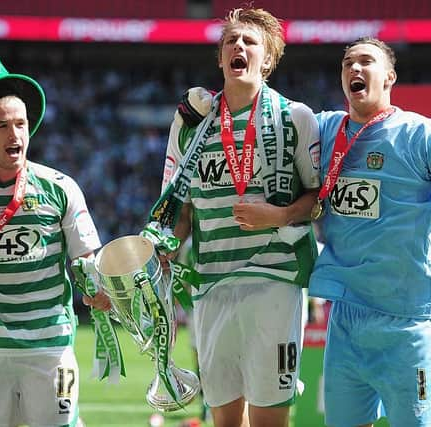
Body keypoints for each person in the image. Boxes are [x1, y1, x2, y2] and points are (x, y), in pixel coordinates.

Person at [308, 37, 431, 427]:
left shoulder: (423, 136)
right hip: (346, 320)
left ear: (390, 77)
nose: (354, 69)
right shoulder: (325, 130)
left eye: (366, 61)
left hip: (410, 325)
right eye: (347, 62)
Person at [150, 7, 320, 427]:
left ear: (268, 59)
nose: (238, 46)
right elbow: (179, 205)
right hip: (210, 284)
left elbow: (317, 198)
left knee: (268, 418)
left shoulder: (294, 117)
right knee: (225, 418)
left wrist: (278, 215)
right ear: (221, 58)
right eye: (231, 41)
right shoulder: (191, 124)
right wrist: (162, 250)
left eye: (249, 42)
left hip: (274, 282)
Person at [0, 51, 109, 427]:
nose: (16, 135)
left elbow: (84, 258)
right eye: (2, 126)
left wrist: (97, 289)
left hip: (52, 347)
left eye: (21, 124)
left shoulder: (61, 188)